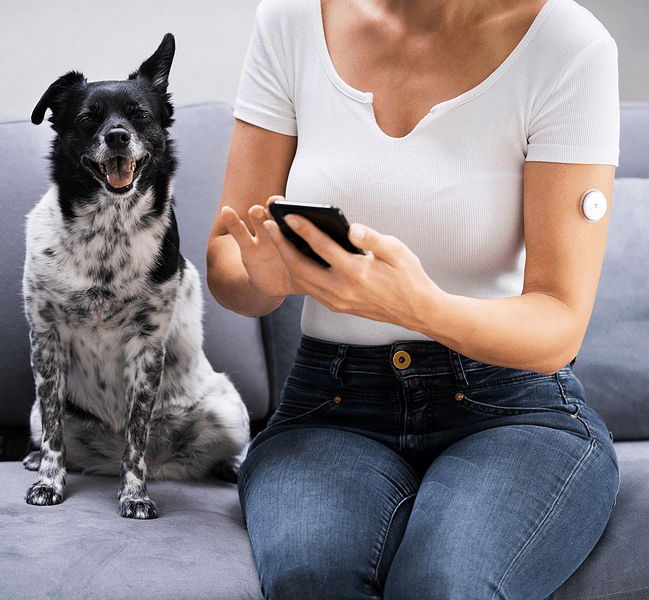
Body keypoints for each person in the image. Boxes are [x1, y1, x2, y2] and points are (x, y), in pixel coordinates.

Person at [206, 0, 620, 597]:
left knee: (441, 585)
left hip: (512, 408)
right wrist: (268, 277)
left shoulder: (568, 45)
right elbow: (226, 253)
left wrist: (417, 306)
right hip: (332, 405)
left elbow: (560, 322)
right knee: (310, 580)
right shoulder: (292, 21)